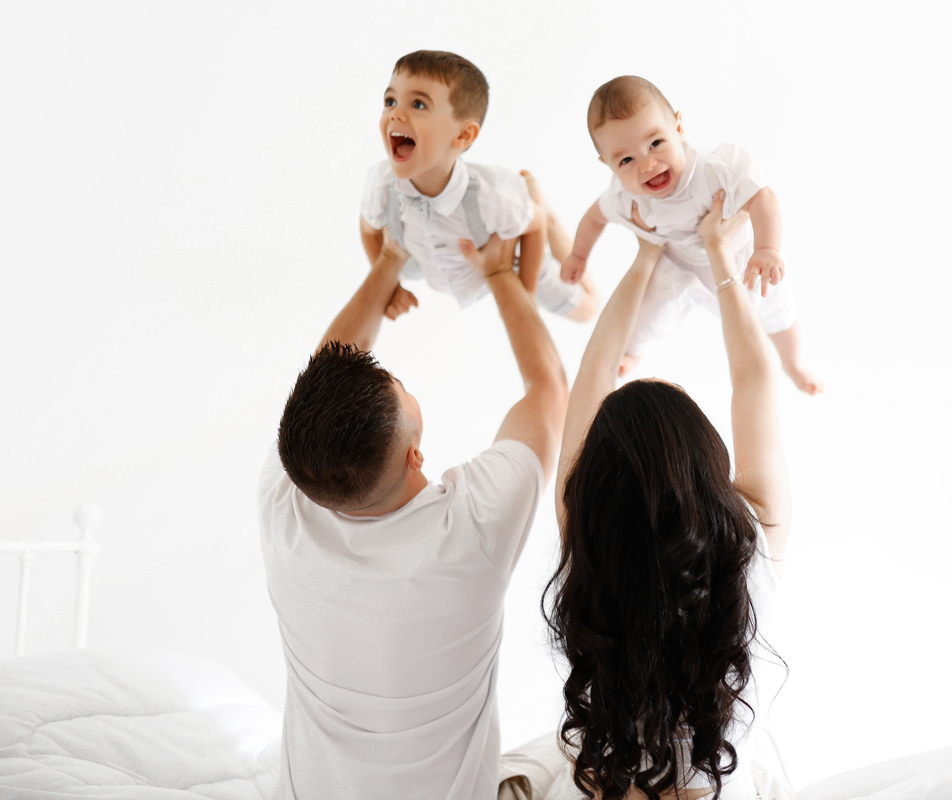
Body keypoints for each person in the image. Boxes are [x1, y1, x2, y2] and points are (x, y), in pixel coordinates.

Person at [258, 229, 568, 799]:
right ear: (414, 456)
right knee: (575, 748)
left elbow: (327, 368)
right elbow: (549, 390)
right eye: (399, 386)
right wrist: (500, 275)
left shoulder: (284, 499)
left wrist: (388, 264)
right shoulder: (472, 528)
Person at [543, 191, 793, 799]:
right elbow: (755, 379)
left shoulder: (586, 536)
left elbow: (593, 375)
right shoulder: (753, 537)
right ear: (704, 464)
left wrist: (645, 257)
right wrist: (719, 258)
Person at [561, 75, 821, 394]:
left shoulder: (715, 170)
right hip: (677, 264)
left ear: (679, 127)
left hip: (739, 260)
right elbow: (593, 219)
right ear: (608, 164)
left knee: (777, 313)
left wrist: (767, 248)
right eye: (626, 159)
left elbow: (762, 197)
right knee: (643, 315)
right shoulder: (624, 197)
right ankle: (632, 354)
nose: (648, 164)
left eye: (656, 143)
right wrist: (578, 256)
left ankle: (793, 363)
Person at [359, 49, 598, 322]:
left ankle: (536, 203)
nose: (396, 114)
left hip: (507, 257)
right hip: (432, 265)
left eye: (418, 105)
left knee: (587, 312)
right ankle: (529, 203)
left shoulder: (492, 198)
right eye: (390, 101)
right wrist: (390, 287)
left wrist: (526, 296)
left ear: (463, 135)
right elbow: (368, 228)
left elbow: (535, 225)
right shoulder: (381, 185)